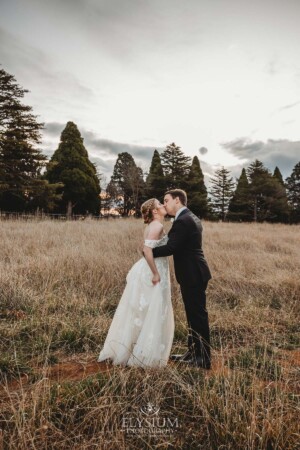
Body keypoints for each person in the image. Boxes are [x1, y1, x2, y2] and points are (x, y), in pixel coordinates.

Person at [98, 198, 174, 368]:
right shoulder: (157, 226)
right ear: (154, 211)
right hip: (153, 270)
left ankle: (133, 348)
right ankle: (144, 354)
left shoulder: (152, 225)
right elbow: (146, 250)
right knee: (152, 309)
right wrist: (155, 273)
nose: (163, 206)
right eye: (160, 205)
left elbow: (146, 248)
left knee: (142, 311)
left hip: (150, 267)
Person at [152, 189, 212, 369]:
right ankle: (193, 352)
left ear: (177, 200)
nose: (164, 204)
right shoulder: (188, 217)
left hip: (193, 273)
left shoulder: (184, 220)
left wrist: (149, 251)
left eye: (166, 200)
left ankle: (203, 358)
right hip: (194, 272)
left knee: (197, 316)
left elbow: (171, 247)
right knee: (193, 315)